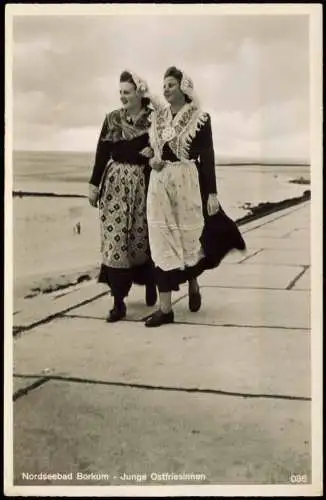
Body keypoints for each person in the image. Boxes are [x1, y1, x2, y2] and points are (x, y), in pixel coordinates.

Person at [145, 66, 246, 327]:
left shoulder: (200, 118)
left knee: (187, 239)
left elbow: (208, 156)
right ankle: (165, 309)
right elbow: (155, 150)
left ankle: (193, 281)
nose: (165, 89)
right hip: (160, 184)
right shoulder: (157, 118)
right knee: (161, 239)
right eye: (163, 85)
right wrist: (153, 161)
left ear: (183, 87)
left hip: (187, 181)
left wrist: (212, 193)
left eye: (171, 84)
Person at [88, 70, 157, 322]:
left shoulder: (154, 120)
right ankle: (118, 302)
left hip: (143, 185)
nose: (122, 97)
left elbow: (165, 149)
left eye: (126, 92)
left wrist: (153, 150)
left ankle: (150, 282)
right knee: (115, 240)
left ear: (139, 93)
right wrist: (93, 184)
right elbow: (102, 152)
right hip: (114, 187)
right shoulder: (113, 119)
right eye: (120, 92)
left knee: (141, 237)